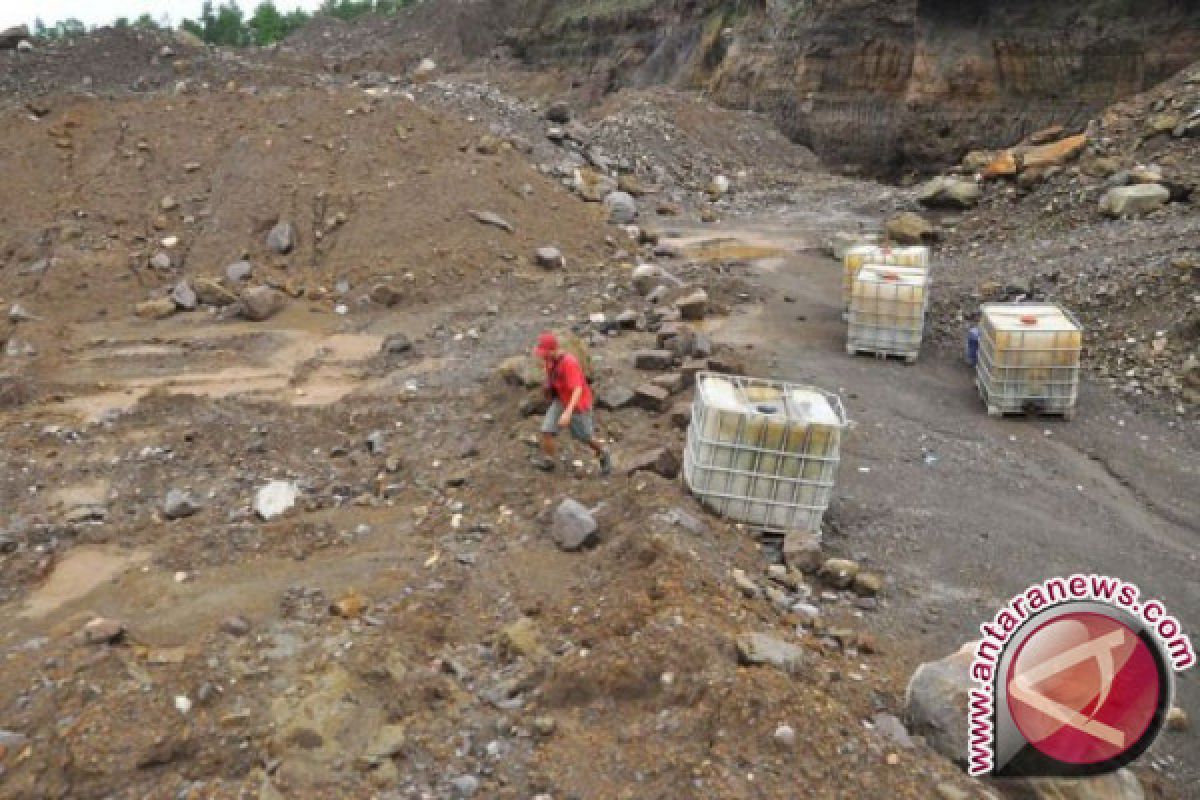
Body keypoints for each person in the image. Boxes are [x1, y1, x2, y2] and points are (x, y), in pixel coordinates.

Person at [531, 331, 612, 475]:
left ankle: (603, 452)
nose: (541, 355)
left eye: (543, 352)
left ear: (552, 350)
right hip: (561, 399)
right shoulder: (551, 361)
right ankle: (549, 461)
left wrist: (568, 413)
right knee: (547, 430)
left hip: (577, 405)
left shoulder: (569, 363)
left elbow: (577, 389)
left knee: (585, 437)